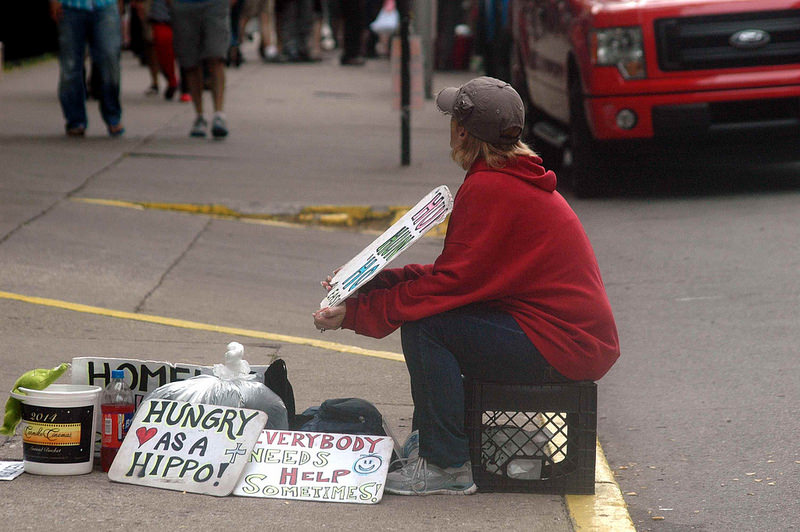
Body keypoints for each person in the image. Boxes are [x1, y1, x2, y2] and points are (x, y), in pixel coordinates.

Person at [313, 76, 620, 495]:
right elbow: (457, 276)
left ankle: (445, 465)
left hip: (565, 344)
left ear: (462, 130)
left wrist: (356, 313)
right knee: (434, 317)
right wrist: (365, 284)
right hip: (565, 335)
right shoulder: (509, 178)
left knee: (426, 328)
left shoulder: (490, 188)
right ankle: (435, 442)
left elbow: (447, 288)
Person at [49, 0, 125, 137]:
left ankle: (113, 115)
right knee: (71, 66)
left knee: (110, 58)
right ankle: (75, 120)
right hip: (71, 6)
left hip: (105, 5)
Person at [171, 0, 231, 138]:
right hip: (184, 5)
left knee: (216, 56)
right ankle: (200, 115)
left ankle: (219, 114)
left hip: (215, 4)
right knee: (190, 62)